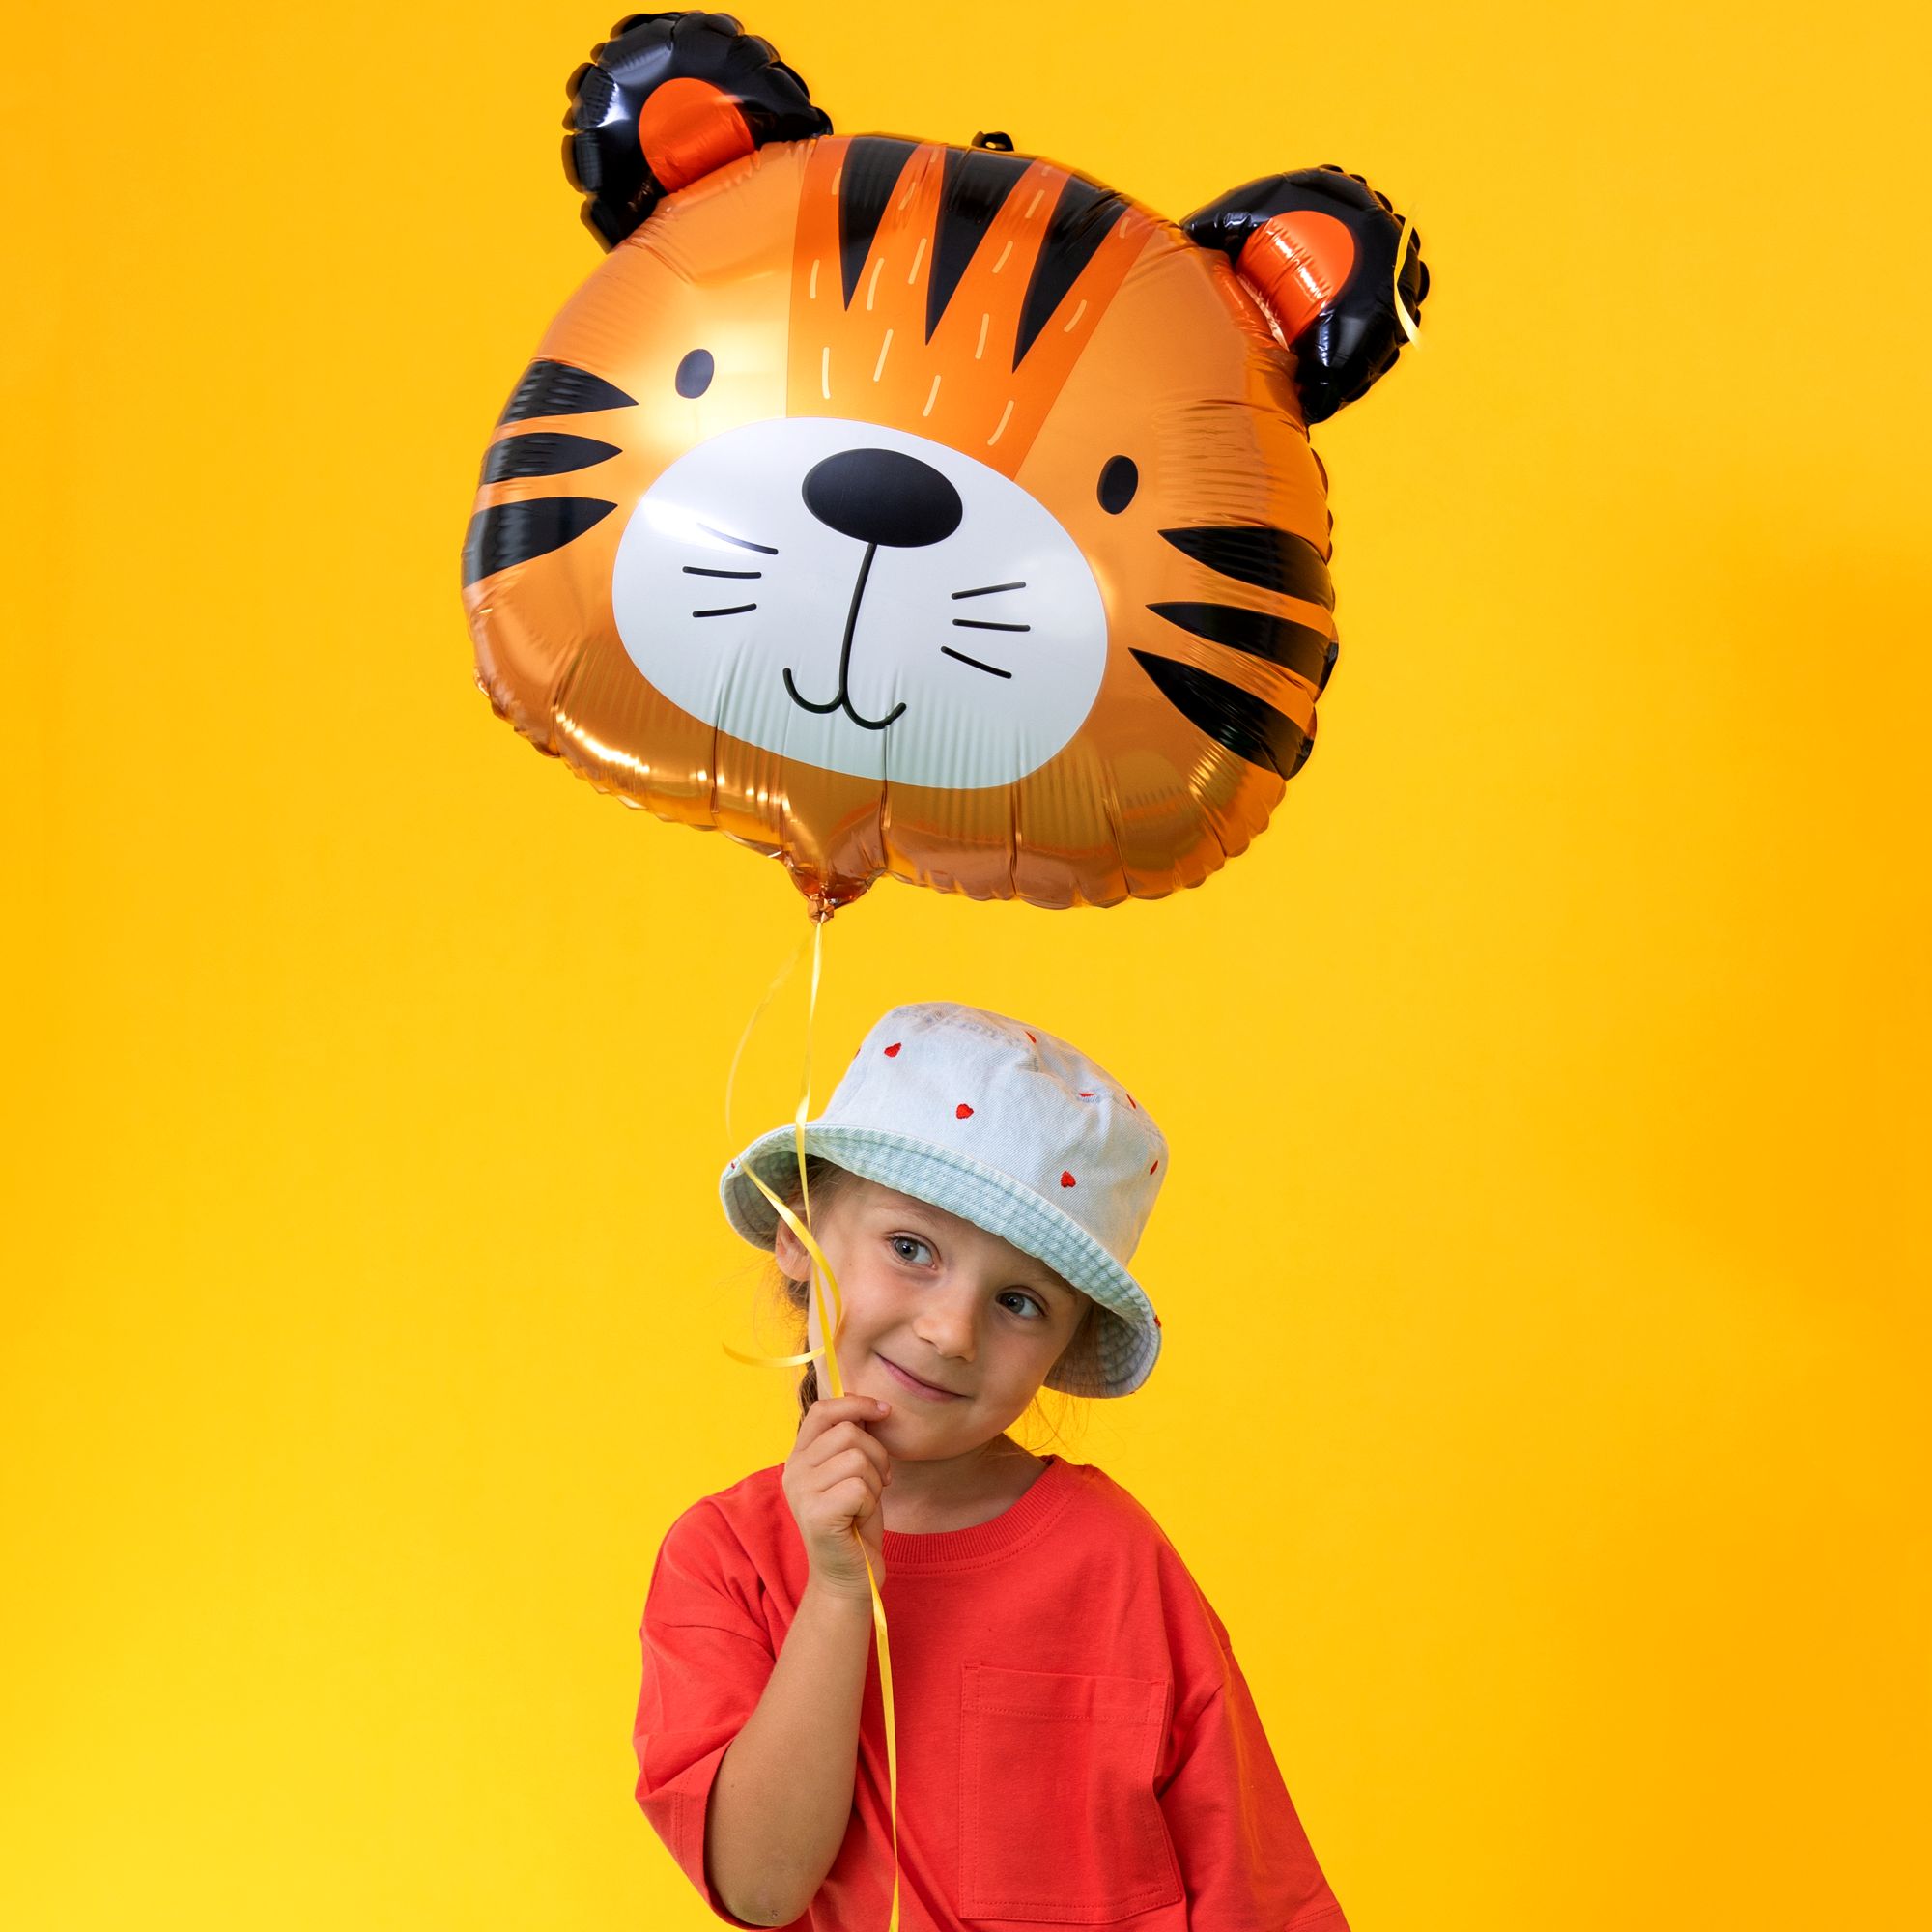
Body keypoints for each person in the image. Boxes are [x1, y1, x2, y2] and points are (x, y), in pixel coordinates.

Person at [631, 1001, 1350, 1930]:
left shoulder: (1117, 1561)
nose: (952, 1331)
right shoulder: (723, 1560)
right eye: (911, 1249)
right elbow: (761, 1889)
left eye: (1019, 1301)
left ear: (1065, 1345)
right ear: (798, 1233)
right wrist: (840, 1593)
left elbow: (1256, 1888)